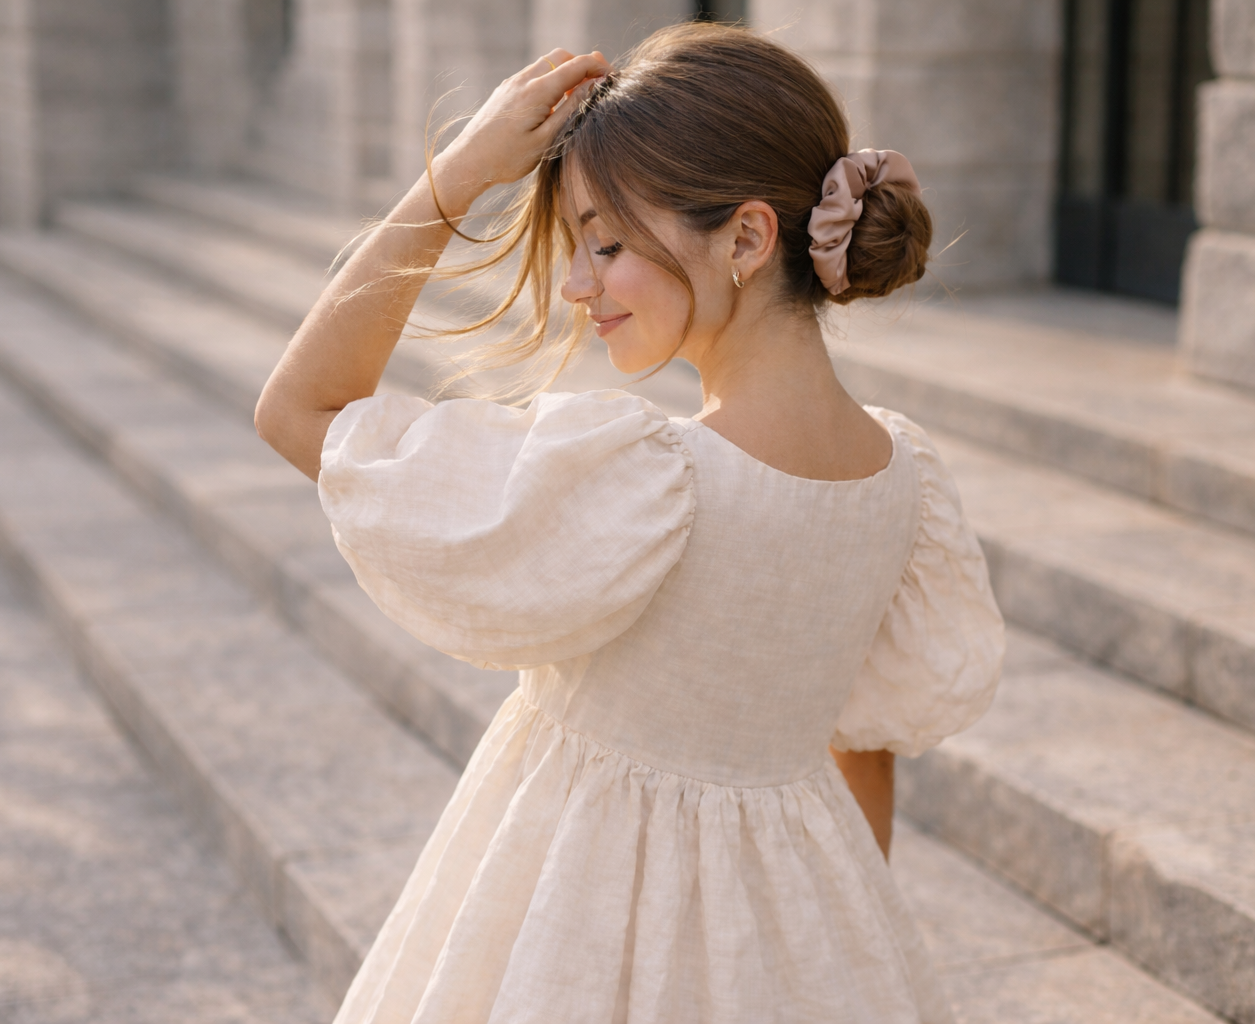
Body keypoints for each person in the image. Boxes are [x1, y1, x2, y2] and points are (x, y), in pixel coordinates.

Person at [256, 22, 1004, 1024]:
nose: (576, 285)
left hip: (573, 933)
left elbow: (298, 409)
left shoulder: (650, 481)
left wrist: (457, 177)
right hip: (803, 937)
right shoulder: (902, 482)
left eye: (606, 244)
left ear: (745, 239)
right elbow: (863, 748)